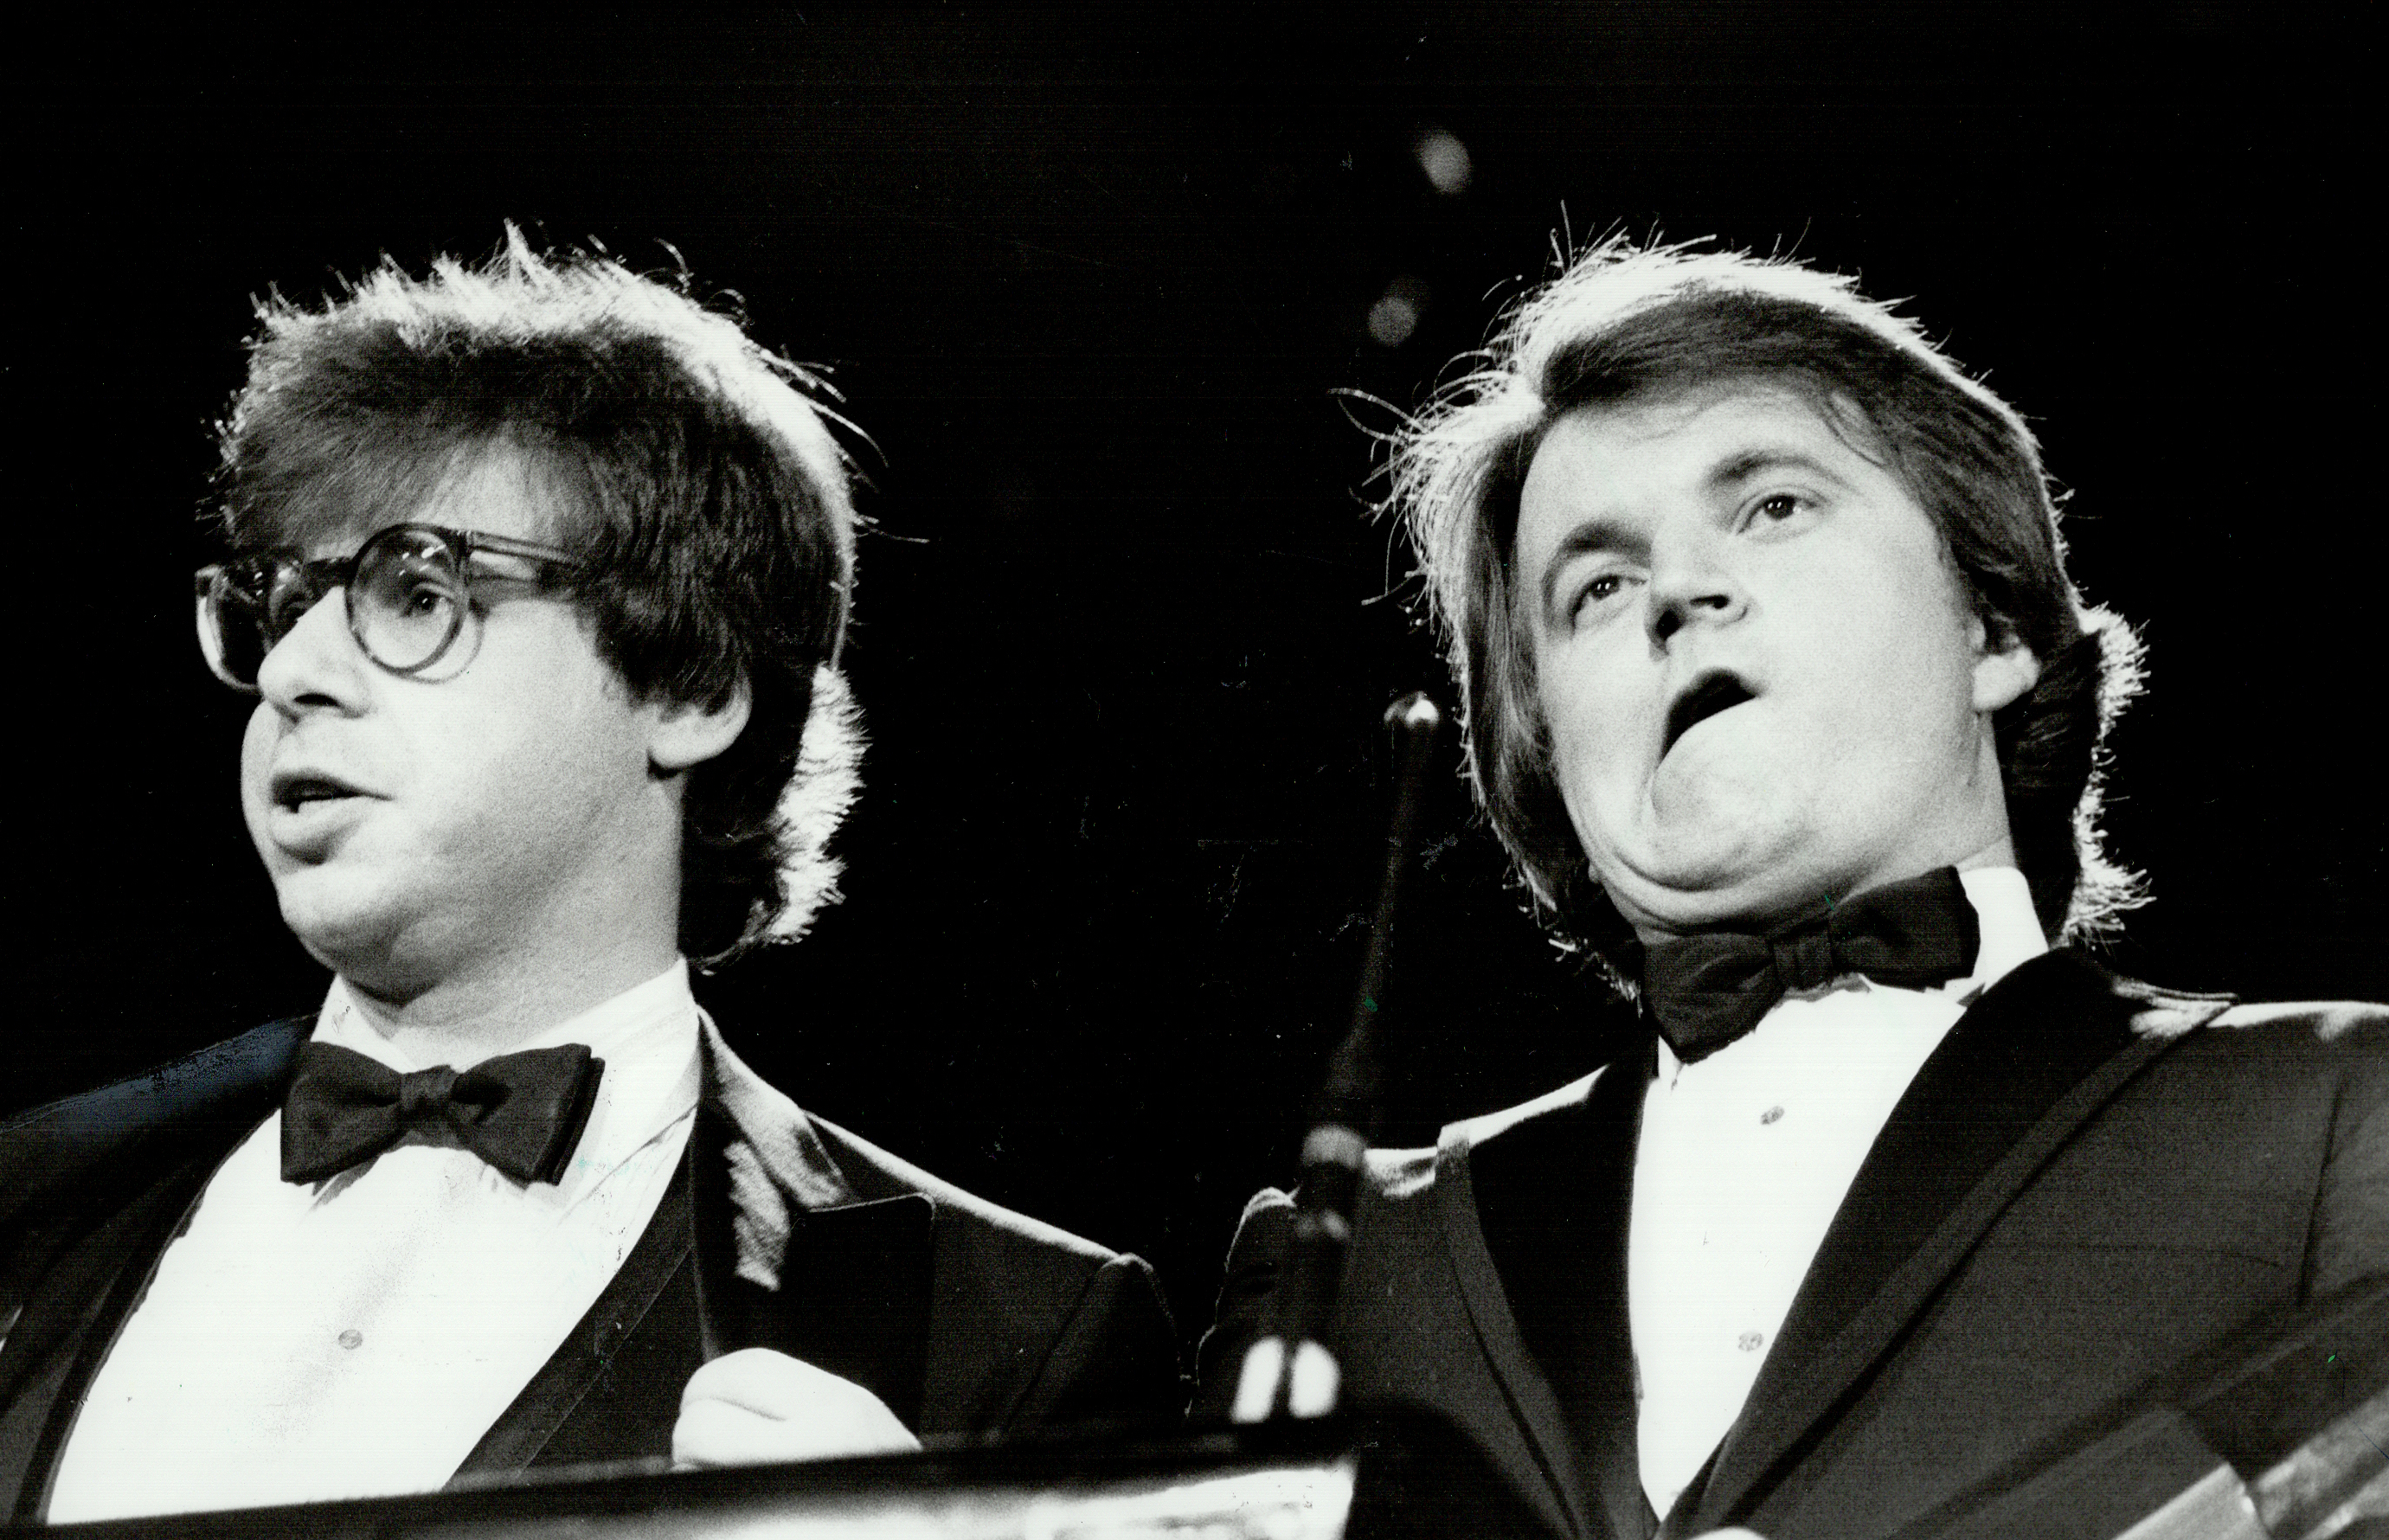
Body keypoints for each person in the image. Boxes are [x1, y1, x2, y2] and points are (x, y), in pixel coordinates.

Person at [1194, 240, 2387, 1538]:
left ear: (1989, 628)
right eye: (1595, 588)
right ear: (1547, 769)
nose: (1678, 595)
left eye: (1770, 506)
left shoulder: (2336, 1109)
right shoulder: (1351, 1263)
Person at [0, 234, 1181, 1524]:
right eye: (283, 603)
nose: (294, 672)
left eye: (416, 589)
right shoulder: (36, 1194)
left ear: (688, 686)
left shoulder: (1004, 1327)